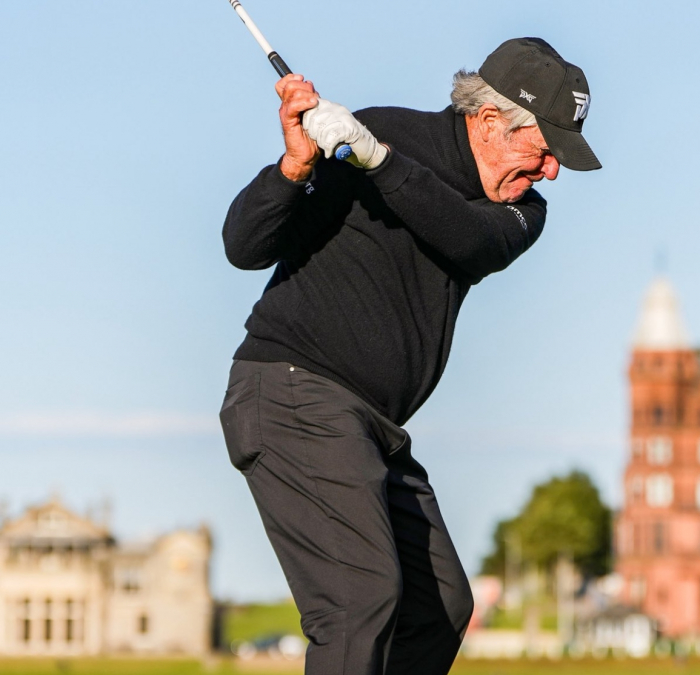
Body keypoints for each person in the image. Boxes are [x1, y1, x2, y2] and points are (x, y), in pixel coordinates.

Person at [218, 37, 599, 675]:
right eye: (545, 148)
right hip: (291, 393)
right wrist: (296, 166)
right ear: (488, 124)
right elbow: (244, 245)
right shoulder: (382, 133)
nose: (552, 170)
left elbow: (466, 237)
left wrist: (377, 161)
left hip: (373, 427)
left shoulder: (519, 211)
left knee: (441, 605)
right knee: (358, 597)